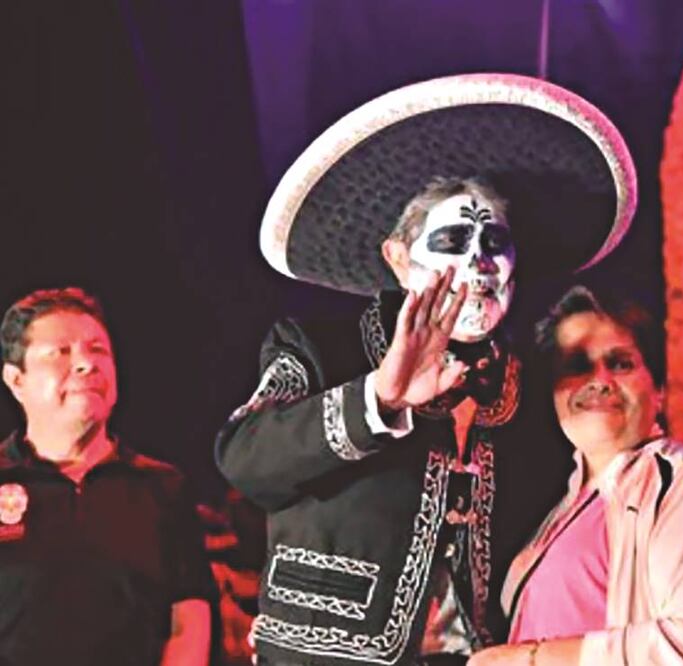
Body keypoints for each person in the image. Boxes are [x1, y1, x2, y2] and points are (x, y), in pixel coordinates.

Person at [216, 74, 637, 666]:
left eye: (495, 239)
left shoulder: (531, 384)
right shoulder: (319, 347)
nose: (479, 261)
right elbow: (245, 460)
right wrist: (378, 400)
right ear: (398, 258)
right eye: (454, 238)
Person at [468, 286, 683, 665]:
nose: (598, 380)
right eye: (577, 365)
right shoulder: (561, 511)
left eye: (620, 363)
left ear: (659, 391)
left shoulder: (676, 475)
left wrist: (531, 659)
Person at [0, 287, 216, 666]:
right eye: (60, 353)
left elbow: (188, 619)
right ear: (17, 380)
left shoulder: (162, 487)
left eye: (98, 350)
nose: (86, 364)